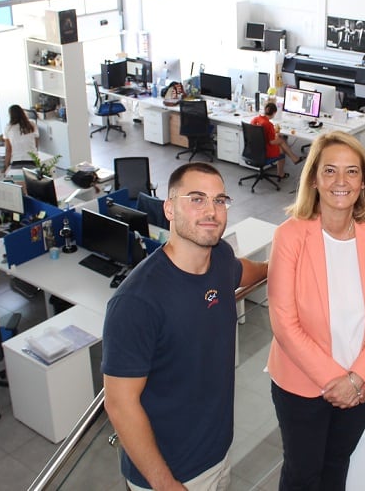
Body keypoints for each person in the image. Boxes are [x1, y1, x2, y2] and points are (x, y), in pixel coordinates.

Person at [102, 162, 268, 491]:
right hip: (169, 473)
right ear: (169, 208)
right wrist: (165, 483)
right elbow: (120, 404)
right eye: (196, 199)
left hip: (218, 452)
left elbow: (240, 271)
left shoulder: (219, 256)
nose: (211, 211)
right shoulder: (136, 301)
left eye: (219, 200)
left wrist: (273, 268)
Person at [267, 131, 365, 490]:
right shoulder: (290, 236)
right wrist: (335, 381)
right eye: (329, 171)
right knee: (302, 475)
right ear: (313, 178)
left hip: (363, 384)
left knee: (336, 466)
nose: (340, 182)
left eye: (351, 172)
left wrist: (356, 378)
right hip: (301, 386)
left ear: (363, 182)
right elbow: (284, 323)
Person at [250, 102, 302, 179]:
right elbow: (271, 142)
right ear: (274, 113)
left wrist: (275, 135)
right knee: (282, 145)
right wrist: (277, 137)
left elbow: (261, 135)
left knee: (280, 141)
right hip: (264, 152)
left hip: (254, 149)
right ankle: (283, 171)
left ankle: (294, 159)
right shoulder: (268, 124)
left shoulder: (255, 119)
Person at [2, 105, 39, 171]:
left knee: (17, 180)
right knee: (32, 179)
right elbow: (36, 144)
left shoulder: (8, 128)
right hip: (32, 160)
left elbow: (8, 150)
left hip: (17, 161)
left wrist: (6, 166)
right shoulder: (32, 125)